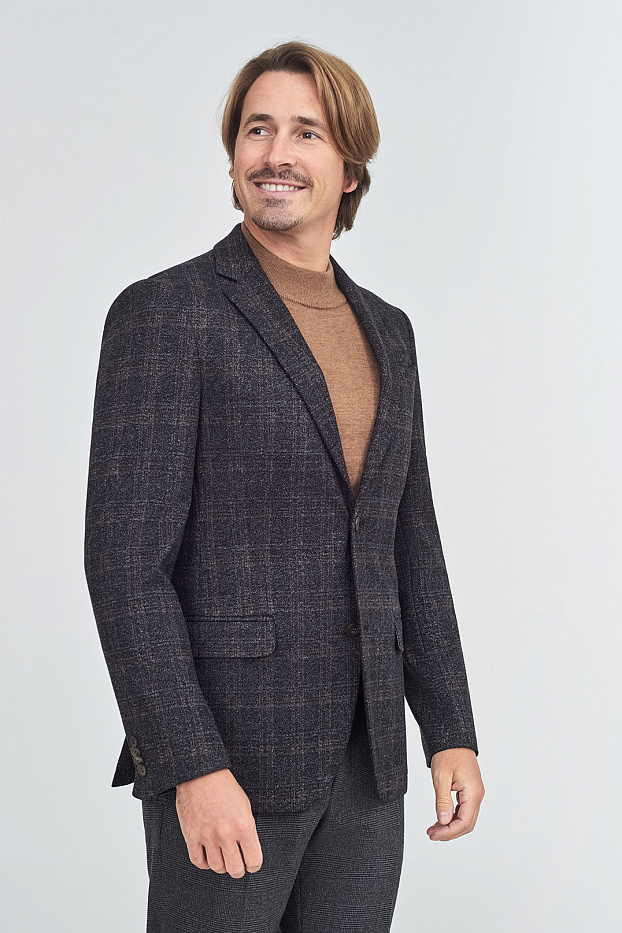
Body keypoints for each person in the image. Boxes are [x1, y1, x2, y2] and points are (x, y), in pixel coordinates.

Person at [84, 39, 484, 932]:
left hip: (370, 765)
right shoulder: (167, 313)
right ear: (233, 157)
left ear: (350, 169)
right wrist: (191, 762)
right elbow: (126, 567)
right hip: (231, 758)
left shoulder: (390, 331)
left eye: (307, 132)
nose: (276, 152)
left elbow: (409, 540)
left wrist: (450, 727)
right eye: (257, 129)